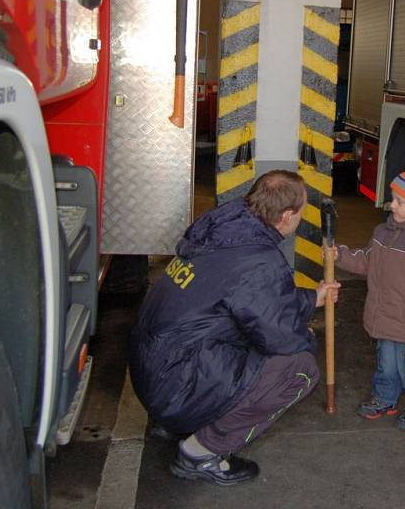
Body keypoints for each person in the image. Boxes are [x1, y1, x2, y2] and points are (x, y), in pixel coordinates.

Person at [128, 170, 340, 486]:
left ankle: (179, 421)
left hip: (154, 374)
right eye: (300, 212)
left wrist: (312, 299)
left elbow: (253, 300)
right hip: (176, 385)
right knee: (300, 368)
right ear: (285, 217)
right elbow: (280, 337)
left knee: (264, 338)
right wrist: (303, 335)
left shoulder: (225, 231)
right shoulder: (259, 260)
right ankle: (200, 453)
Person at [334, 168, 405, 433]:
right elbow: (365, 260)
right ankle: (386, 400)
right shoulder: (382, 232)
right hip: (384, 319)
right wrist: (339, 255)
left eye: (400, 201)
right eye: (393, 198)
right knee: (386, 367)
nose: (391, 204)